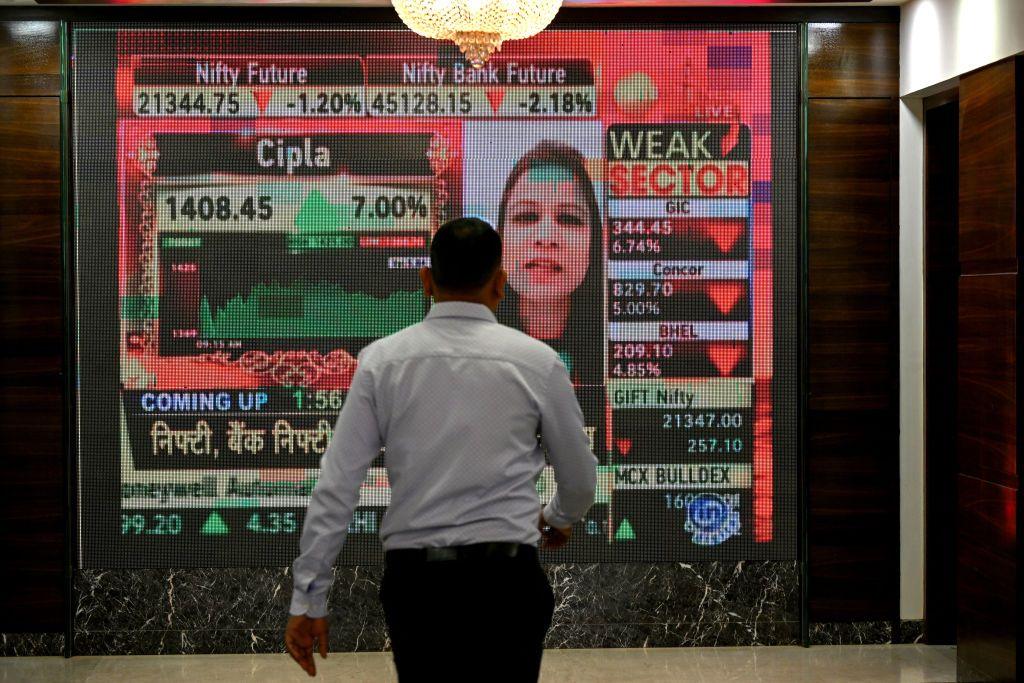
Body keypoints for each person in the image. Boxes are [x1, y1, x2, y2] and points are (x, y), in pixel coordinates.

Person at [285, 217, 599, 681]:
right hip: (508, 585)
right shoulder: (538, 363)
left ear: (426, 281)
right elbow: (579, 479)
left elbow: (337, 486)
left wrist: (309, 598)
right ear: (501, 283)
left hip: (418, 589)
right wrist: (557, 518)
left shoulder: (381, 363)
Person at [496, 141, 603, 384]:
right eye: (526, 216)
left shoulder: (614, 356)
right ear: (500, 237)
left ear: (593, 240)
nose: (545, 238)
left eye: (568, 218)